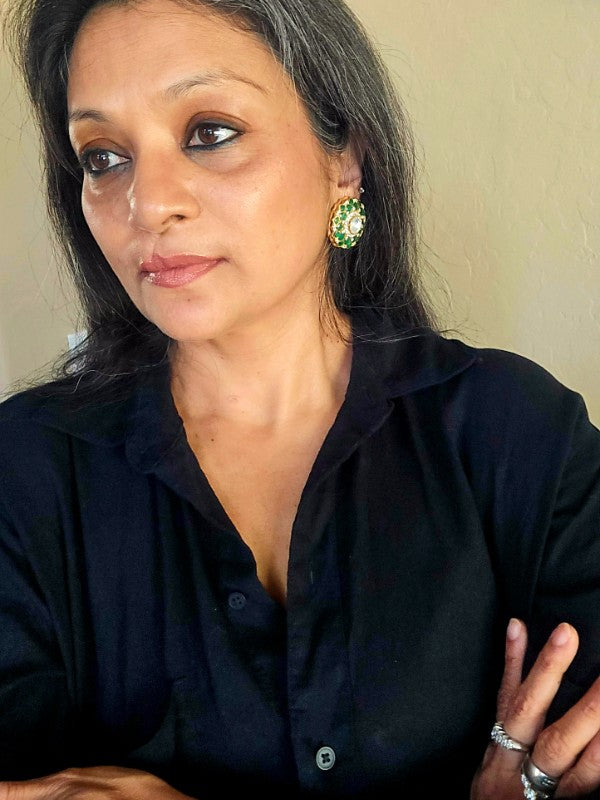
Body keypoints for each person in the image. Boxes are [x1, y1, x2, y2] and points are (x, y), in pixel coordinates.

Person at [1, 0, 599, 798]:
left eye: (209, 132)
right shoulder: (22, 475)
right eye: (104, 157)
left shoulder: (518, 434)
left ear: (343, 161)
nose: (146, 203)